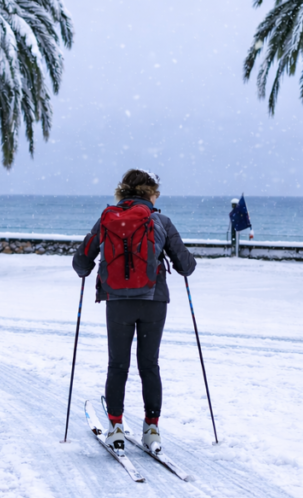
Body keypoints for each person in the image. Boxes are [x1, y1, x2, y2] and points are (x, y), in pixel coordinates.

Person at [72, 169, 197, 455]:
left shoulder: (107, 219)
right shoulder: (161, 221)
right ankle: (151, 430)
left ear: (123, 191)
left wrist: (89, 268)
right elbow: (186, 266)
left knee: (117, 365)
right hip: (153, 301)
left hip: (118, 303)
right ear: (150, 193)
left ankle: (115, 428)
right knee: (149, 365)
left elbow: (80, 263)